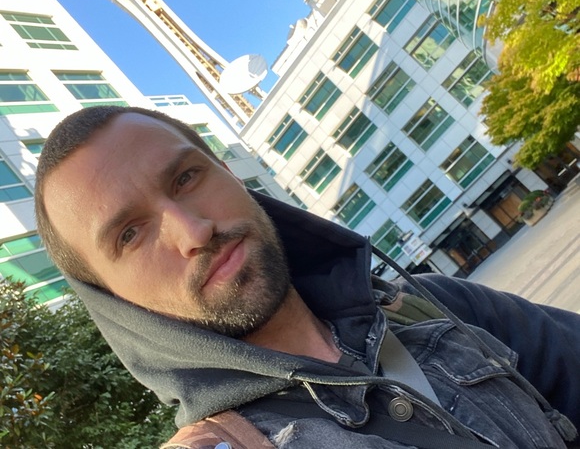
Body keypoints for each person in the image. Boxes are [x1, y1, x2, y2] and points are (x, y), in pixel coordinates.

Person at [35, 105, 580, 449]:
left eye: (186, 177)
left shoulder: (429, 306)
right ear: (112, 301)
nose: (193, 231)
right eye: (130, 234)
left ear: (229, 173)